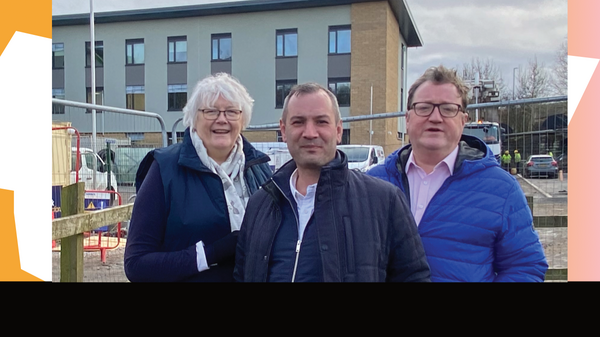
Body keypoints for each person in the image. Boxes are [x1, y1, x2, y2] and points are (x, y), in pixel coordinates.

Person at [234, 82, 431, 282]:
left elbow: (414, 277)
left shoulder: (384, 201)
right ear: (283, 130)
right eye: (298, 122)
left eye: (321, 122)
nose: (310, 133)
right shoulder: (260, 204)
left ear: (338, 130)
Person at [368, 65, 548, 282]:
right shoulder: (372, 183)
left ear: (463, 120)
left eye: (448, 108)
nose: (435, 117)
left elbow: (525, 266)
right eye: (424, 108)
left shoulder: (501, 189)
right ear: (408, 119)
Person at [124, 73, 273, 282]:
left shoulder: (260, 169)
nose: (222, 119)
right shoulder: (164, 170)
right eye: (211, 111)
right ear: (194, 118)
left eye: (231, 111)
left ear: (243, 118)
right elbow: (136, 265)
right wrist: (211, 253)